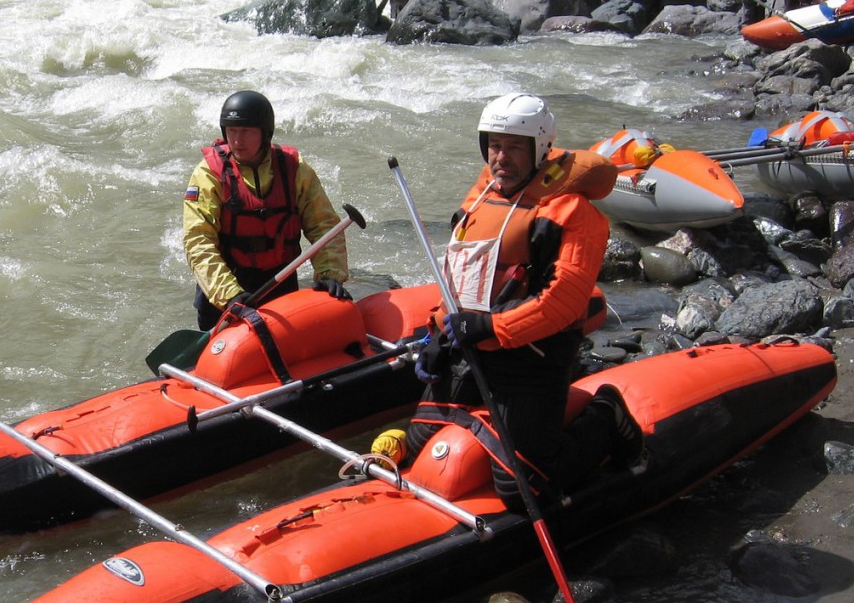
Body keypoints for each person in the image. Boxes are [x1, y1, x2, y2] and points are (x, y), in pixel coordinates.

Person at [388, 94, 645, 506]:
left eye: (513, 147)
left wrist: (492, 327)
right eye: (493, 145)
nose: (500, 157)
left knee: (524, 487)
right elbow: (457, 277)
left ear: (539, 149)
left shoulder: (572, 212)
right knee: (419, 445)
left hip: (532, 356)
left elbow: (563, 302)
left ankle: (605, 416)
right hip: (473, 344)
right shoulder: (484, 196)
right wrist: (437, 332)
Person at [183, 90, 350, 330]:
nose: (238, 140)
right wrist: (229, 295)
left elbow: (323, 225)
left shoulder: (295, 169)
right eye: (232, 131)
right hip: (224, 297)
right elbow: (198, 240)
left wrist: (330, 275)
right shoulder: (208, 173)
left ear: (265, 133)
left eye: (247, 132)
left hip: (279, 285)